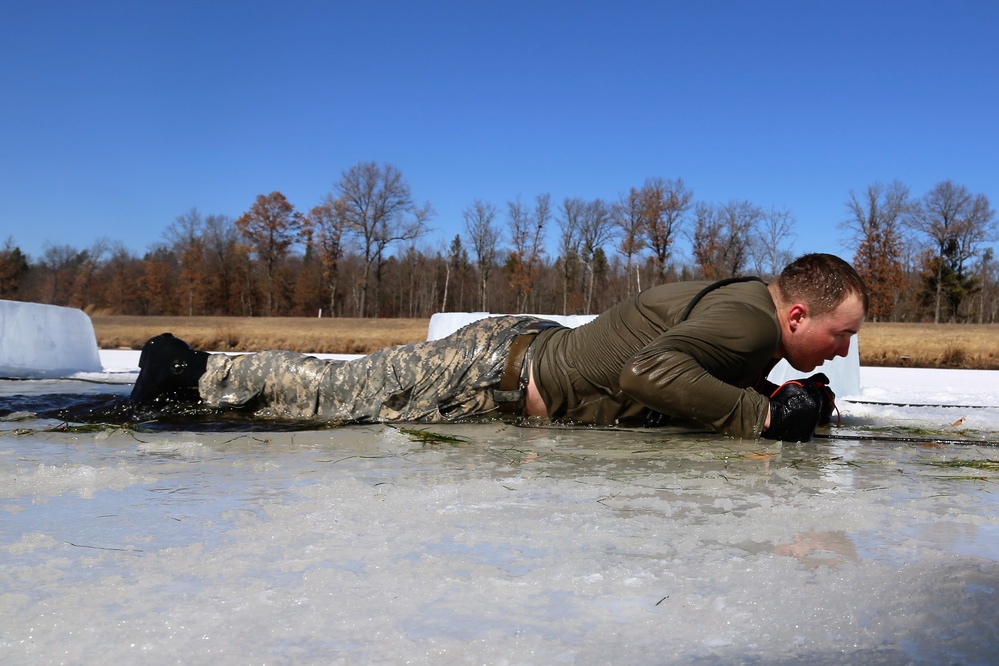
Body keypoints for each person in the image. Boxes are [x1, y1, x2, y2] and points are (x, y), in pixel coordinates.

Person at [130, 253, 868, 441]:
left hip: (520, 351)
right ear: (798, 313)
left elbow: (684, 364)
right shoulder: (747, 319)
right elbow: (649, 371)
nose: (841, 350)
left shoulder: (749, 309)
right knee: (339, 394)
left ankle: (197, 370)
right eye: (842, 335)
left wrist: (777, 395)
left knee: (345, 390)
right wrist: (763, 418)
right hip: (492, 372)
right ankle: (188, 370)